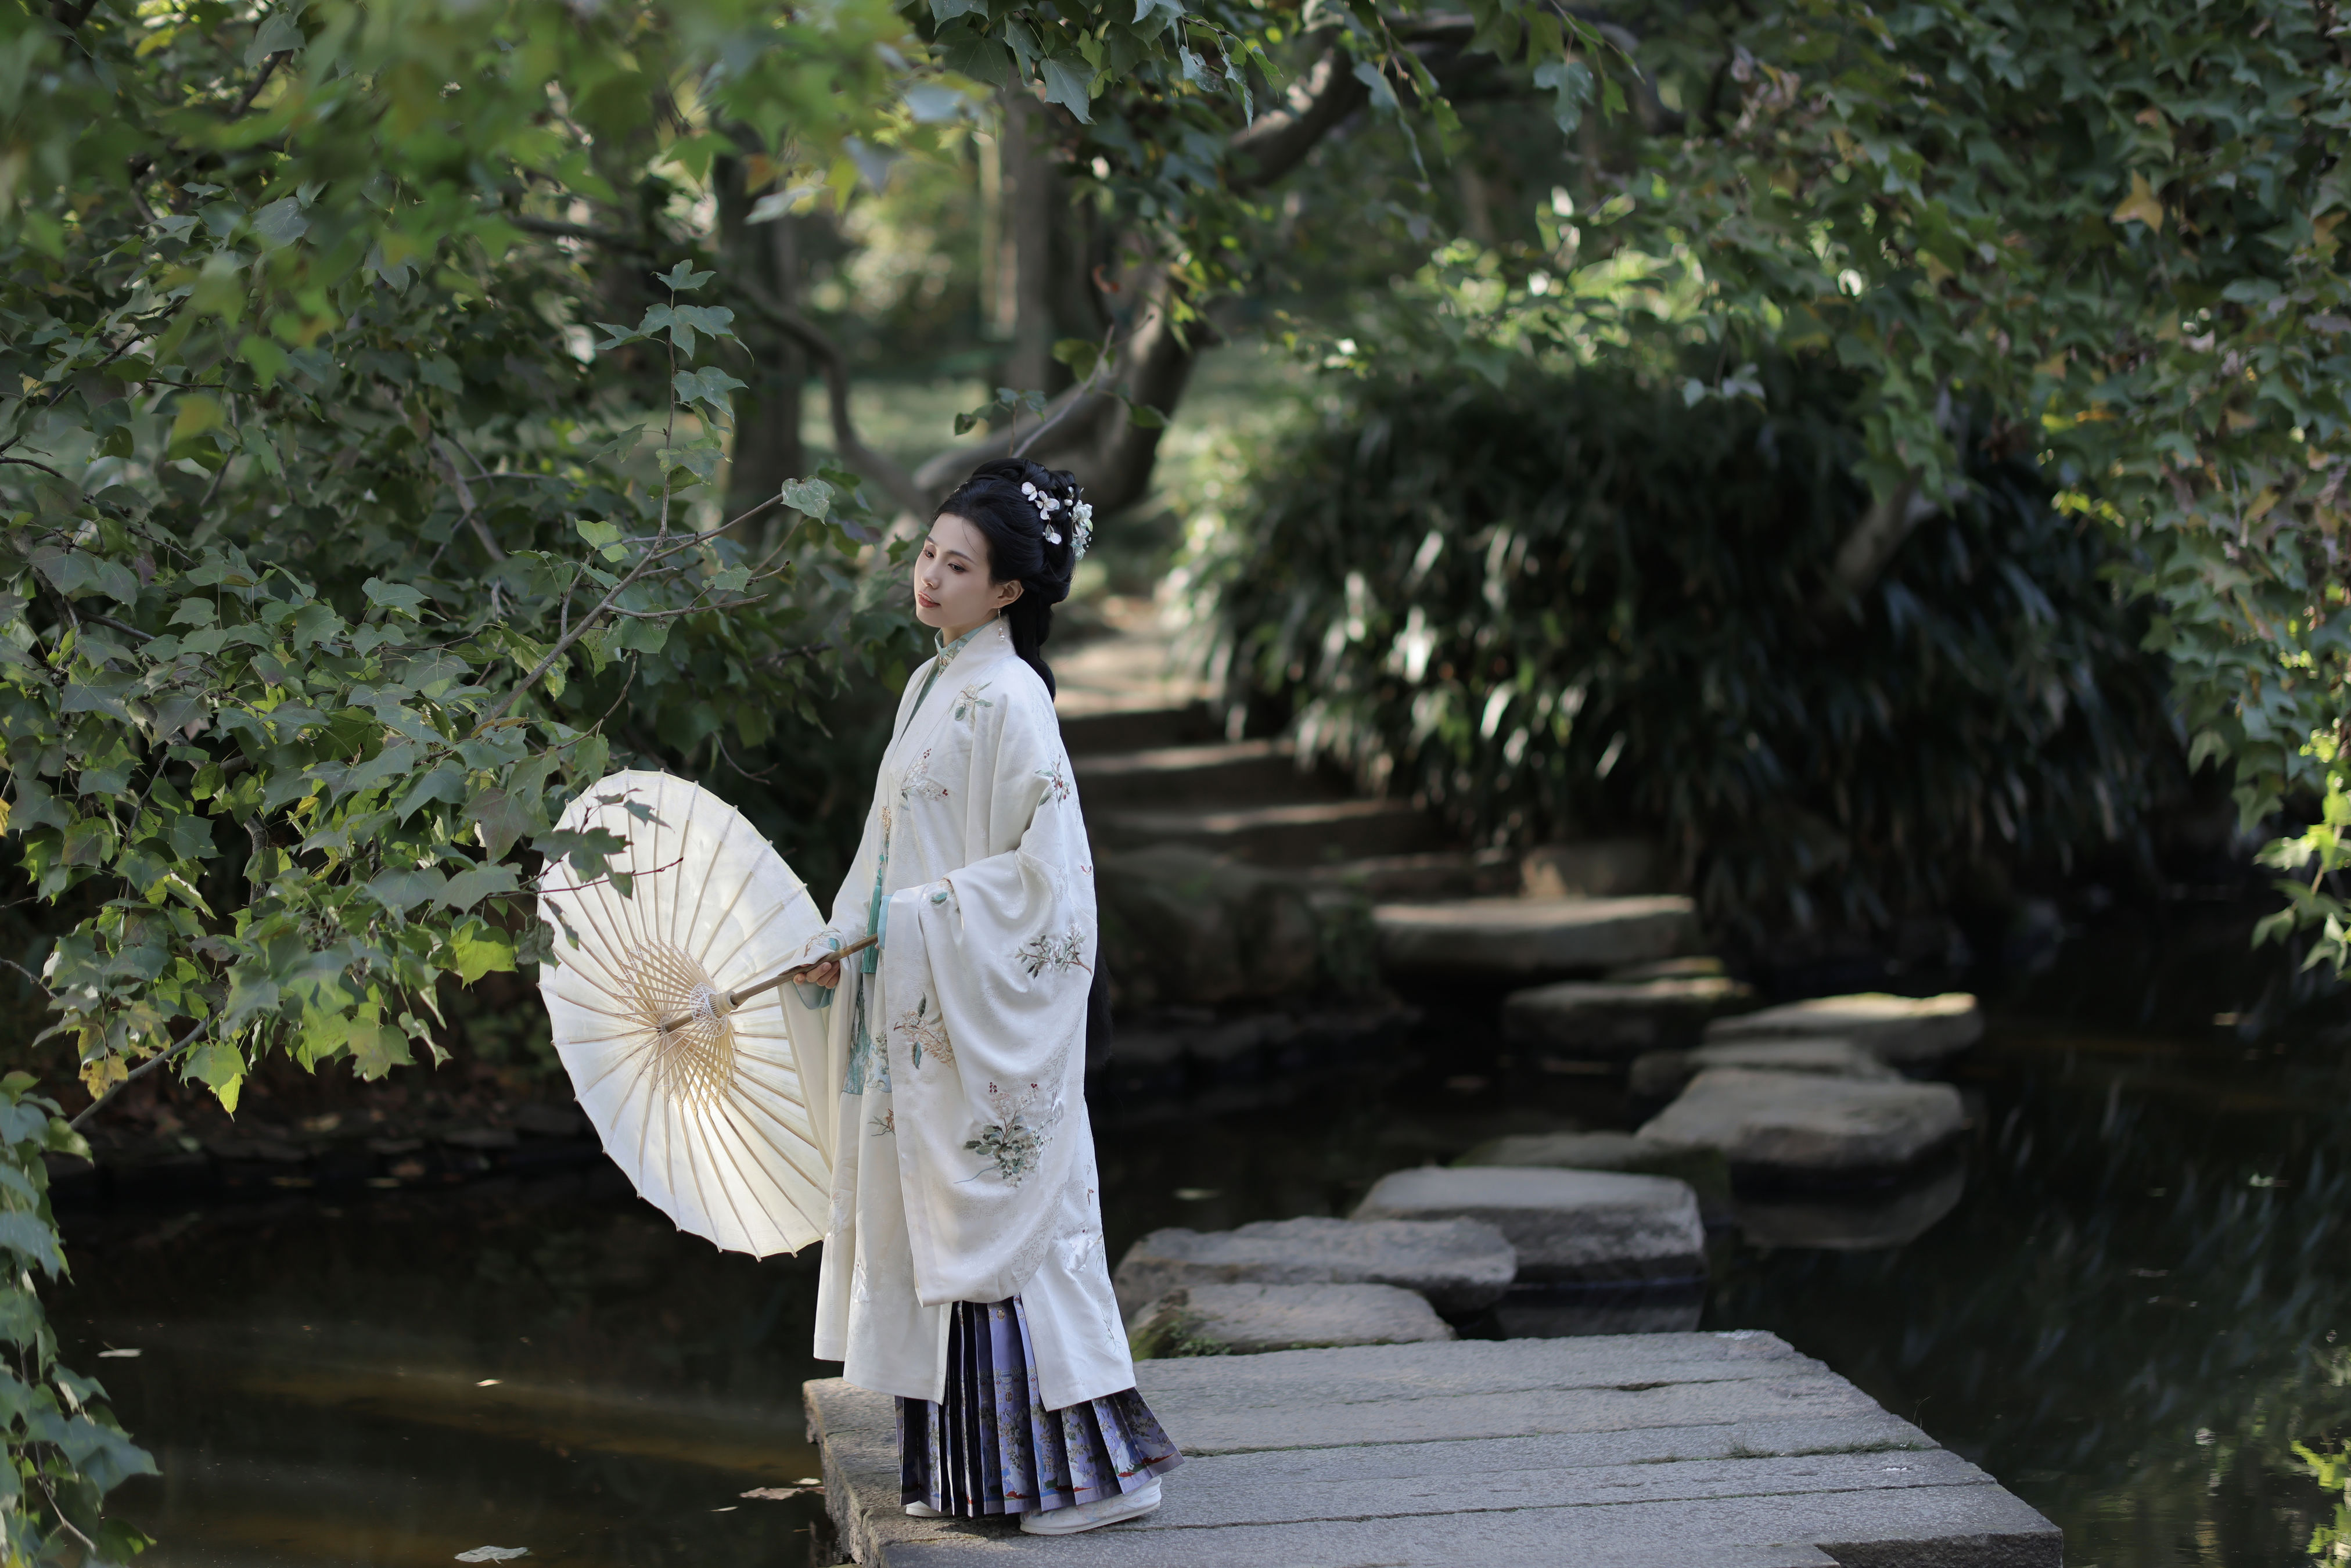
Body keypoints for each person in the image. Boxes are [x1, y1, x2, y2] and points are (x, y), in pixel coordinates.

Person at [781, 458, 1182, 1535]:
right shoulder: (933, 683)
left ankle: (1093, 1479)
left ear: (1008, 590)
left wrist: (908, 924)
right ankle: (993, 1478)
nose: (930, 578)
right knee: (948, 1230)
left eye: (958, 567)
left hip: (980, 1010)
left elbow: (1049, 890)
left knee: (1017, 1234)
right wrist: (840, 940)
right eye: (928, 555)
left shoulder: (1011, 699)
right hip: (925, 1010)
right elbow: (885, 849)